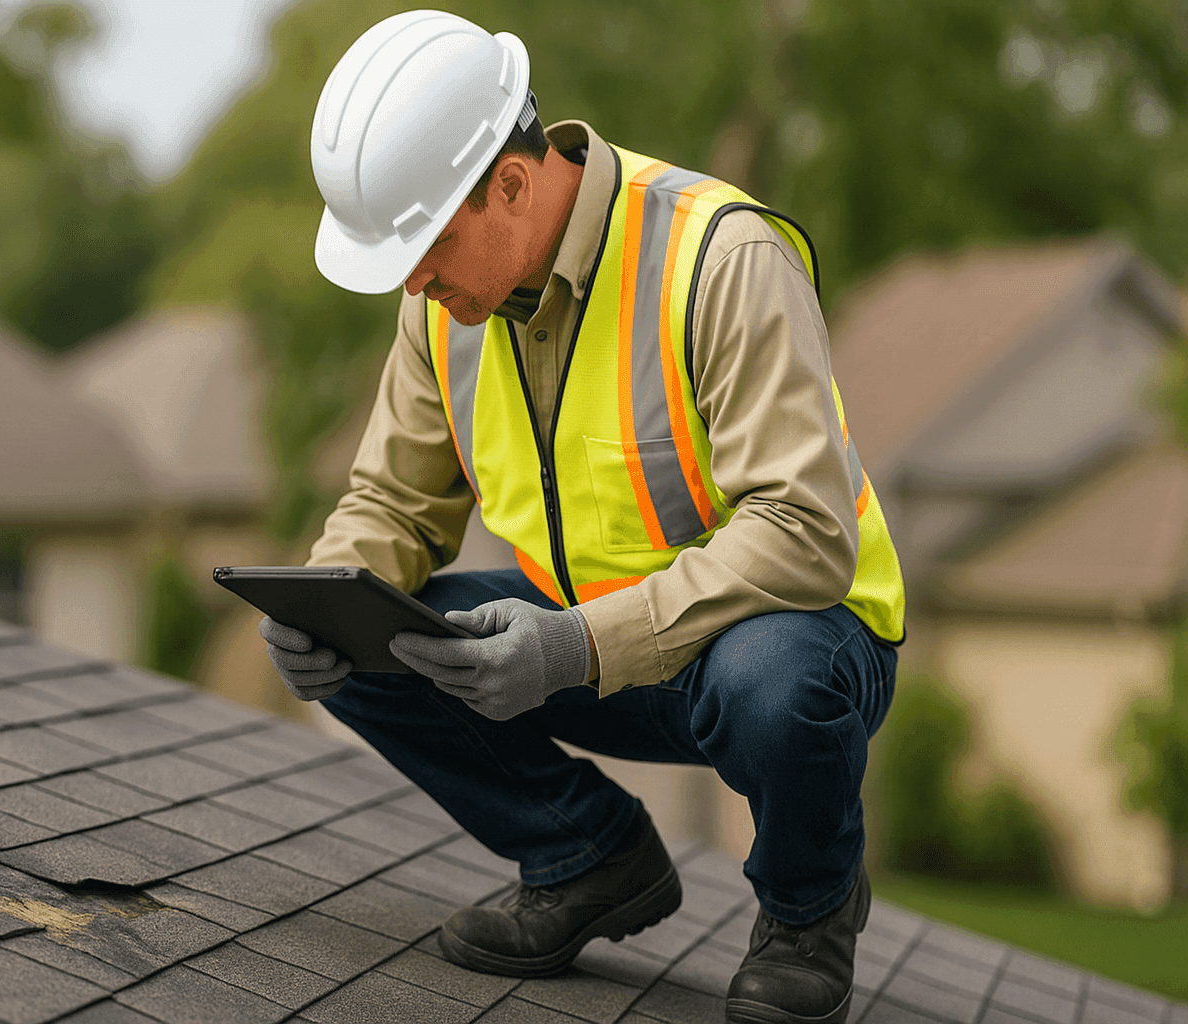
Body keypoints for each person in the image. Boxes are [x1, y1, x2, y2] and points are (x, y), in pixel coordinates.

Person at [260, 11, 906, 1023]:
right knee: (375, 635)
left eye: (425, 245)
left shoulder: (720, 258)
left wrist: (574, 646)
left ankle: (809, 908)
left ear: (511, 184)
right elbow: (393, 501)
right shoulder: (444, 307)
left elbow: (805, 530)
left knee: (774, 684)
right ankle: (587, 857)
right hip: (581, 635)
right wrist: (325, 597)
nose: (414, 279)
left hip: (789, 639)